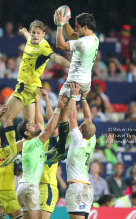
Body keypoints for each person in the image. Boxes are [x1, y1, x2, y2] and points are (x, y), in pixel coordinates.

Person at [1, 94, 66, 219]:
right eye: (30, 125)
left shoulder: (26, 143)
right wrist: (57, 107)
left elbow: (40, 126)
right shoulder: (35, 143)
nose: (35, 124)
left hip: (27, 187)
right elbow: (51, 127)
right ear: (27, 133)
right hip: (30, 188)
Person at [1, 20, 70, 166]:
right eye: (34, 33)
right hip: (33, 91)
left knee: (5, 118)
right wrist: (25, 31)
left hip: (25, 88)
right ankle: (30, 160)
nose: (35, 35)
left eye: (39, 33)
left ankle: (13, 152)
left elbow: (56, 58)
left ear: (44, 34)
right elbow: (28, 38)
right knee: (29, 129)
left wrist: (72, 64)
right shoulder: (30, 39)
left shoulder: (44, 48)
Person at [47, 11, 99, 163]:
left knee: (63, 114)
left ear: (84, 27)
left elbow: (60, 44)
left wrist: (59, 25)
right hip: (84, 81)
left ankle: (61, 150)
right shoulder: (93, 38)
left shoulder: (84, 42)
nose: (75, 30)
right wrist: (67, 21)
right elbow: (72, 36)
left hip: (75, 83)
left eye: (77, 27)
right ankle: (60, 148)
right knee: (63, 115)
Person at [64, 83, 103, 219]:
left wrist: (74, 96)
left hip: (77, 187)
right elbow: (89, 119)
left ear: (80, 129)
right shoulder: (91, 139)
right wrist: (85, 98)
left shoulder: (78, 139)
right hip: (87, 187)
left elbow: (72, 116)